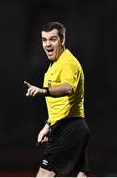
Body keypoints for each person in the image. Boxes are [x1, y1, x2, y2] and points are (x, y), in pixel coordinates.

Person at [24, 22, 90, 177]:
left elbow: (68, 88)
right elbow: (61, 104)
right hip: (75, 126)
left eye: (52, 39)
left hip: (67, 127)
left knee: (43, 175)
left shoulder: (67, 62)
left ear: (62, 40)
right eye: (44, 40)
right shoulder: (54, 65)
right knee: (80, 174)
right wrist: (48, 125)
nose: (47, 44)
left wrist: (43, 91)